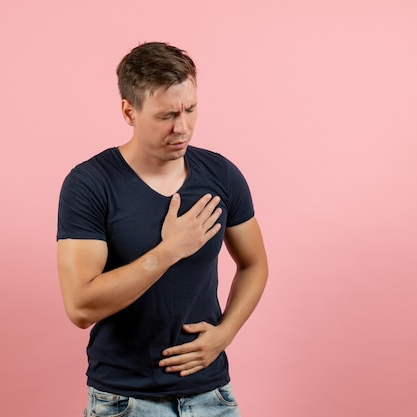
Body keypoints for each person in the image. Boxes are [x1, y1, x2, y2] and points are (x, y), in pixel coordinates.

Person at [57, 41, 268, 417]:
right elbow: (80, 307)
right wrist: (170, 250)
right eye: (166, 115)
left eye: (190, 109)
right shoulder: (90, 183)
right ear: (129, 111)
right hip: (125, 401)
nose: (182, 127)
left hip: (212, 396)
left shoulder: (221, 174)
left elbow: (254, 264)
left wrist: (225, 333)